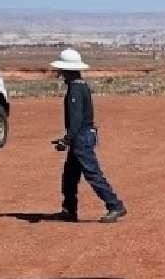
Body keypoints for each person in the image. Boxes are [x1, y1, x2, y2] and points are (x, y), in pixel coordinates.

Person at [49, 49, 127, 223]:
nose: (59, 73)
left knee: (92, 173)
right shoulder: (80, 86)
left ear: (66, 70)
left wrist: (66, 140)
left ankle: (115, 206)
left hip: (81, 139)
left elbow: (76, 120)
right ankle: (69, 210)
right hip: (81, 136)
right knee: (69, 176)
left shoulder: (76, 89)